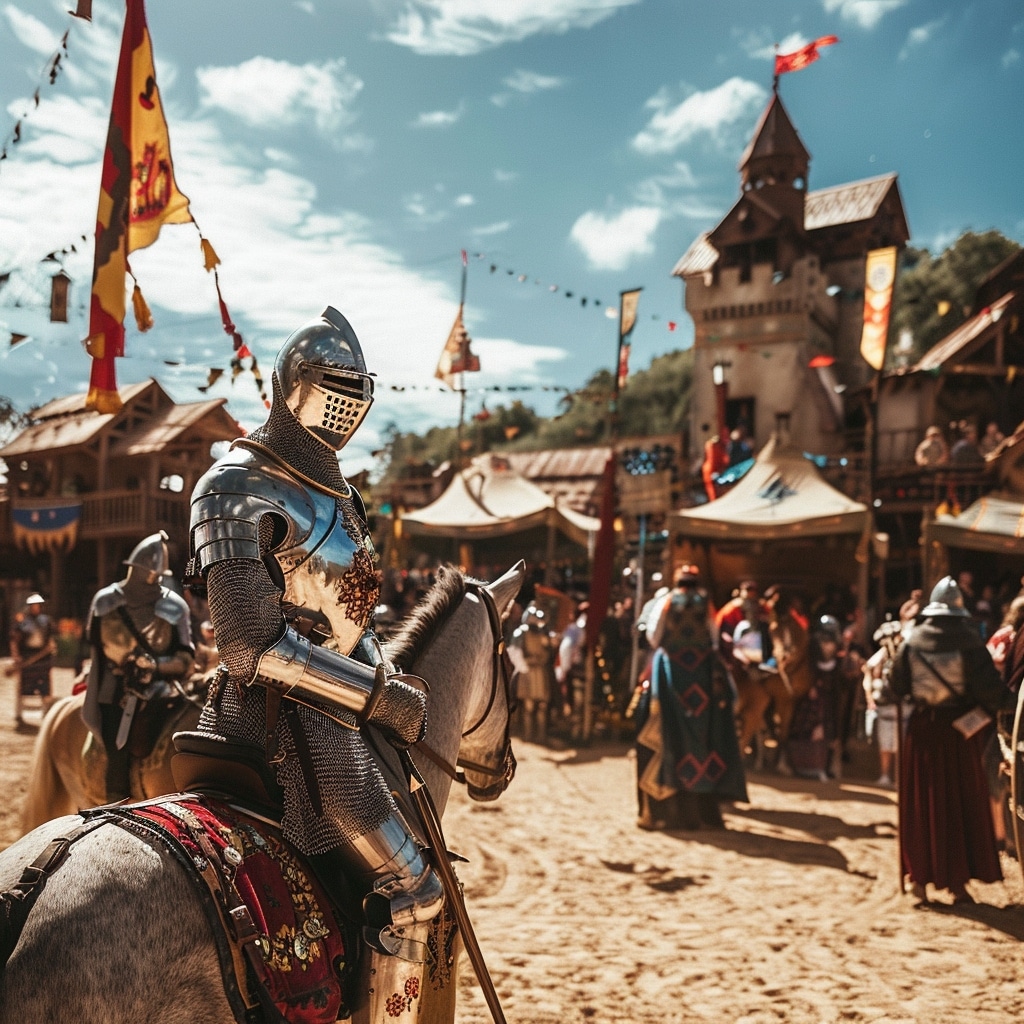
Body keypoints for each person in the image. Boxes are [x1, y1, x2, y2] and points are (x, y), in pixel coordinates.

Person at [185, 306, 442, 957]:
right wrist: (375, 696)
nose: (349, 405)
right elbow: (246, 644)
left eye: (360, 390)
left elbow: (352, 617)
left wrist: (383, 675)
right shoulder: (235, 486)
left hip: (342, 702)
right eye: (338, 387)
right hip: (276, 716)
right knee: (416, 888)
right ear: (293, 384)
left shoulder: (342, 496)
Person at [889, 576, 1012, 904]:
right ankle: (956, 883)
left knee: (922, 803)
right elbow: (991, 693)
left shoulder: (911, 642)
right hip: (959, 732)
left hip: (923, 730)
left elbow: (895, 688)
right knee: (957, 802)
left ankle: (919, 879)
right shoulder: (971, 644)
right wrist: (1009, 702)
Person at [82, 532, 195, 801]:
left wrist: (155, 666)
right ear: (132, 569)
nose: (151, 580)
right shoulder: (105, 601)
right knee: (118, 753)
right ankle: (113, 803)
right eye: (147, 574)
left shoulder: (175, 605)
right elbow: (97, 648)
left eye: (157, 576)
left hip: (164, 691)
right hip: (118, 692)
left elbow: (186, 659)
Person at [635, 564, 747, 830]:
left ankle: (666, 804)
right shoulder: (707, 603)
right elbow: (714, 637)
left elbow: (653, 637)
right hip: (703, 674)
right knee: (713, 727)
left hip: (672, 671)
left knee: (661, 726)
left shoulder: (666, 601)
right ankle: (705, 804)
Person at [510, 603, 556, 743]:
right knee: (529, 706)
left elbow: (549, 650)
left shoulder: (543, 633)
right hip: (528, 671)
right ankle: (528, 735)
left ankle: (541, 736)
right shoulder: (521, 632)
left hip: (541, 671)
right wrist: (523, 666)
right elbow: (514, 651)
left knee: (542, 705)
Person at [9, 593, 56, 725]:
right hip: (27, 657)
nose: (35, 607)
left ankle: (46, 714)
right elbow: (15, 640)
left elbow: (51, 639)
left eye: (37, 605)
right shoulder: (22, 622)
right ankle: (19, 714)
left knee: (45, 687)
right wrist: (16, 656)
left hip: (43, 658)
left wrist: (51, 647)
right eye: (33, 605)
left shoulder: (46, 621)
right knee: (23, 686)